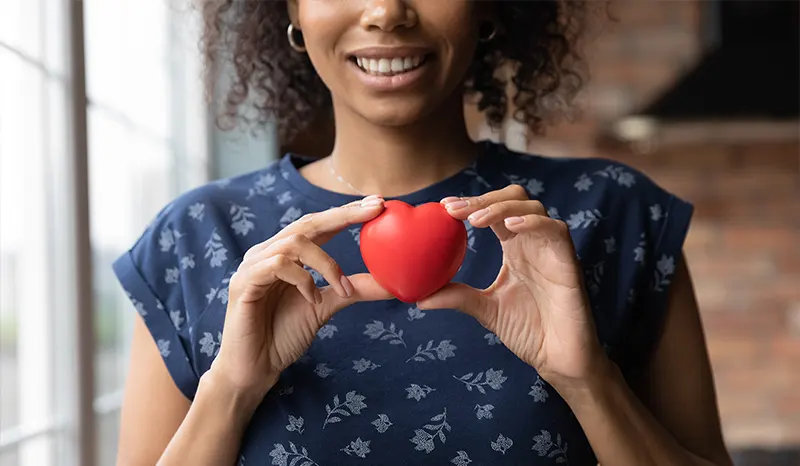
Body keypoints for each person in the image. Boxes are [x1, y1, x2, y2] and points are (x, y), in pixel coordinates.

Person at [113, 1, 733, 465]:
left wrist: (589, 383)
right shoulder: (194, 237)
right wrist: (231, 391)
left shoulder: (615, 214)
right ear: (292, 11)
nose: (387, 12)